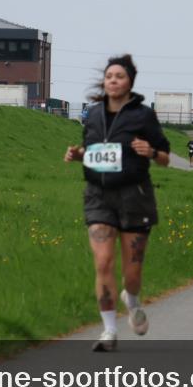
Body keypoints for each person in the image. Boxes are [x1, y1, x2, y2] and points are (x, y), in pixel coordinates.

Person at [64, 55, 170, 352]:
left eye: (119, 76)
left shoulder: (143, 116)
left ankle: (132, 299)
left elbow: (164, 157)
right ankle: (109, 331)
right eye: (109, 76)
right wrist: (78, 155)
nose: (113, 80)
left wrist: (149, 151)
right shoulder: (93, 114)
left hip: (134, 196)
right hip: (98, 196)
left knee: (132, 274)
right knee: (103, 262)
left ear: (130, 82)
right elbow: (96, 150)